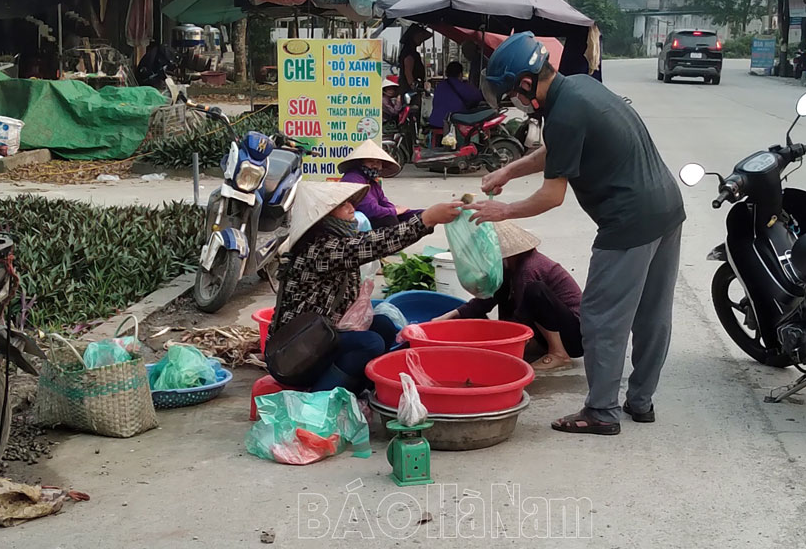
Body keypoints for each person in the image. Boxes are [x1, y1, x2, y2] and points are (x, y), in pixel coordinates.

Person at [466, 32, 685, 436]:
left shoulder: (564, 113)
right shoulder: (581, 86)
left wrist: (504, 210)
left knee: (602, 318)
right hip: (667, 207)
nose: (513, 102)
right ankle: (641, 401)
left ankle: (601, 411)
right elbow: (558, 149)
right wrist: (508, 170)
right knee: (653, 315)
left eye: (512, 94)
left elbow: (552, 196)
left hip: (628, 221)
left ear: (528, 84)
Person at [269, 180, 460, 392]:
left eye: (351, 203)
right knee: (371, 343)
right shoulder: (321, 249)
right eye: (343, 205)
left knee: (385, 326)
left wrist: (429, 218)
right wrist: (427, 219)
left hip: (322, 336)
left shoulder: (336, 239)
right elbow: (376, 244)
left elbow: (373, 239)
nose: (352, 208)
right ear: (324, 215)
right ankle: (320, 401)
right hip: (295, 354)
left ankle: (358, 389)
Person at [434, 221, 582, 372]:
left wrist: (500, 342)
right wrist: (447, 317)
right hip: (550, 327)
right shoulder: (509, 269)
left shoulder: (530, 268)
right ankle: (537, 346)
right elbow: (484, 301)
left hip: (575, 335)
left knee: (534, 291)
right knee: (504, 290)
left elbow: (523, 313)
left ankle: (558, 353)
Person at [339, 140, 419, 228]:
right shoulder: (353, 178)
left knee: (410, 216)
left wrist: (418, 214)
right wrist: (395, 211)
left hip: (370, 217)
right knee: (389, 219)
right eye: (371, 162)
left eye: (378, 162)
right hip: (352, 222)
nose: (375, 166)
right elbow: (370, 210)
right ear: (360, 163)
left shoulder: (373, 183)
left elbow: (384, 203)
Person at [428, 61, 485, 145]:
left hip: (435, 121)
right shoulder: (462, 86)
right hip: (450, 124)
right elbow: (477, 96)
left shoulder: (440, 85)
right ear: (460, 74)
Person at [398, 25, 432, 95]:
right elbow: (408, 71)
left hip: (412, 90)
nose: (422, 39)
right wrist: (413, 86)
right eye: (420, 36)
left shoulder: (410, 52)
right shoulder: (409, 52)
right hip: (411, 92)